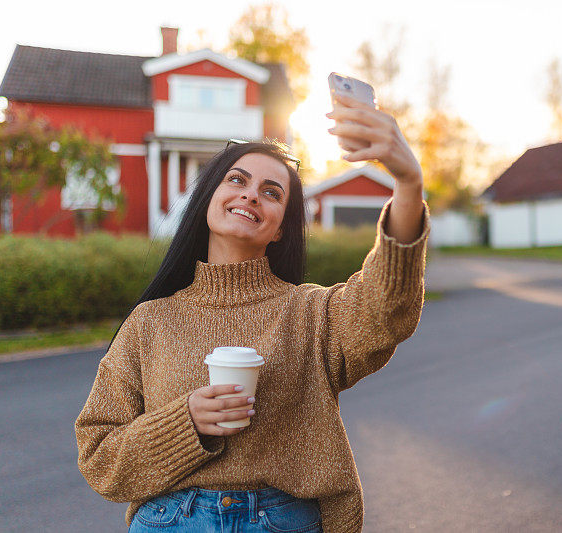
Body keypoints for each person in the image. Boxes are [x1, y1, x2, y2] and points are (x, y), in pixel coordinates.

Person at [74, 93, 430, 533]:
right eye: (236, 180)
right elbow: (100, 458)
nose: (250, 195)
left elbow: (386, 307)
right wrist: (186, 424)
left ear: (281, 227)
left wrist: (409, 184)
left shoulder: (310, 313)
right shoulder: (150, 322)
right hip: (170, 522)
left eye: (271, 192)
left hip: (284, 521)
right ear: (209, 197)